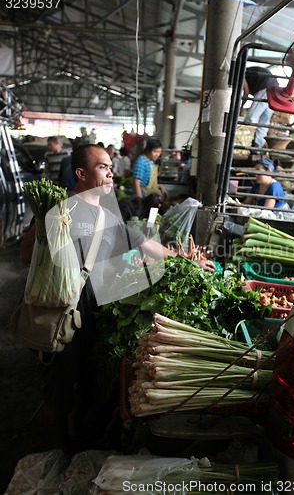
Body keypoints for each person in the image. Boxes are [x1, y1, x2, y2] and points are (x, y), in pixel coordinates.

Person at [20, 144, 215, 456]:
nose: (110, 171)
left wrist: (187, 260)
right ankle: (61, 452)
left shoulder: (105, 216)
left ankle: (75, 435)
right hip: (61, 315)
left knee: (83, 383)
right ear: (81, 173)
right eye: (102, 166)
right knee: (58, 392)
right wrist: (51, 233)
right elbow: (26, 256)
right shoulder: (59, 209)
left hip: (92, 316)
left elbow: (143, 245)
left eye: (110, 166)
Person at [242, 67, 279, 152]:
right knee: (264, 122)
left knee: (251, 118)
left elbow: (246, 92)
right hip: (274, 89)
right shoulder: (249, 72)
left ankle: (245, 146)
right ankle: (257, 149)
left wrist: (241, 109)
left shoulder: (240, 72)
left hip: (265, 88)